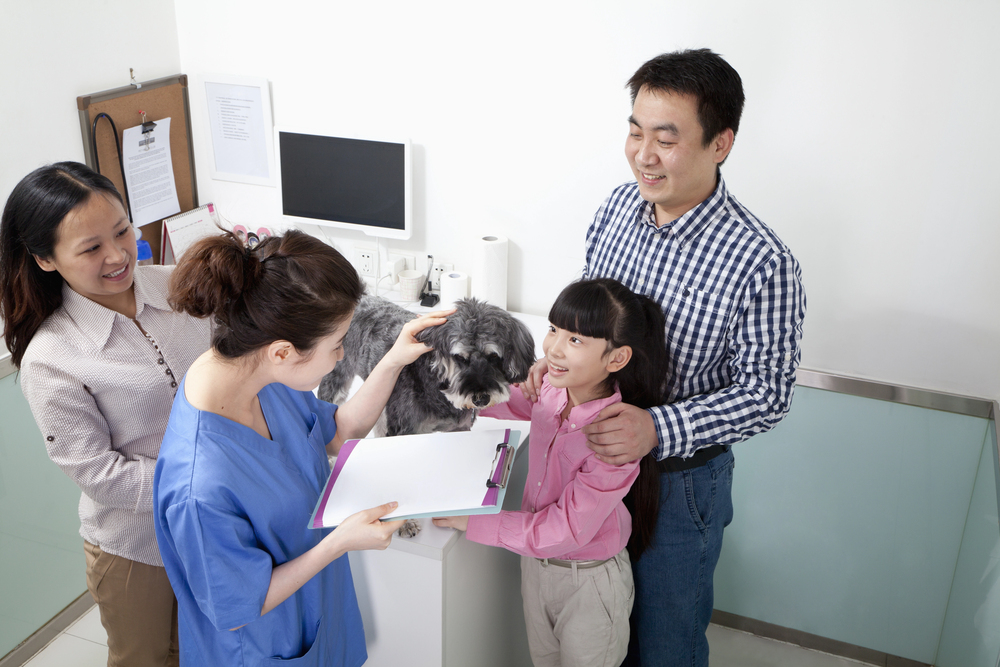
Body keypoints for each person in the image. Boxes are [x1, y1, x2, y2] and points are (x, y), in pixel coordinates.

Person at [523, 49, 806, 666]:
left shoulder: (762, 261)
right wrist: (561, 359)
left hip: (679, 487)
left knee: (665, 646)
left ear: (721, 142)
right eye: (635, 131)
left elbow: (766, 394)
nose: (643, 155)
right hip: (590, 462)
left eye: (666, 139)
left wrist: (656, 426)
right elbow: (590, 320)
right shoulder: (617, 210)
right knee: (596, 639)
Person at [153, 229, 452, 666]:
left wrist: (393, 359)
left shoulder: (258, 373)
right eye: (336, 346)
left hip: (314, 614)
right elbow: (235, 607)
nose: (341, 356)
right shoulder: (200, 485)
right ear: (283, 351)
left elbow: (338, 430)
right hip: (260, 645)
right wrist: (337, 544)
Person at [0, 162, 213, 667]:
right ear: (45, 260)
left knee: (210, 652)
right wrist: (207, 478)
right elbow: (101, 476)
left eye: (122, 230)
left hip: (213, 527)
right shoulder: (53, 356)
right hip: (136, 551)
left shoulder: (182, 289)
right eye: (91, 247)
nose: (119, 255)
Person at [434, 277, 669, 667]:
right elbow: (505, 404)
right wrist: (451, 396)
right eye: (554, 330)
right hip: (537, 570)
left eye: (575, 341)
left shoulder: (613, 438)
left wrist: (474, 522)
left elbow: (564, 530)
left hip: (590, 584)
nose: (553, 350)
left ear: (616, 359)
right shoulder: (551, 391)